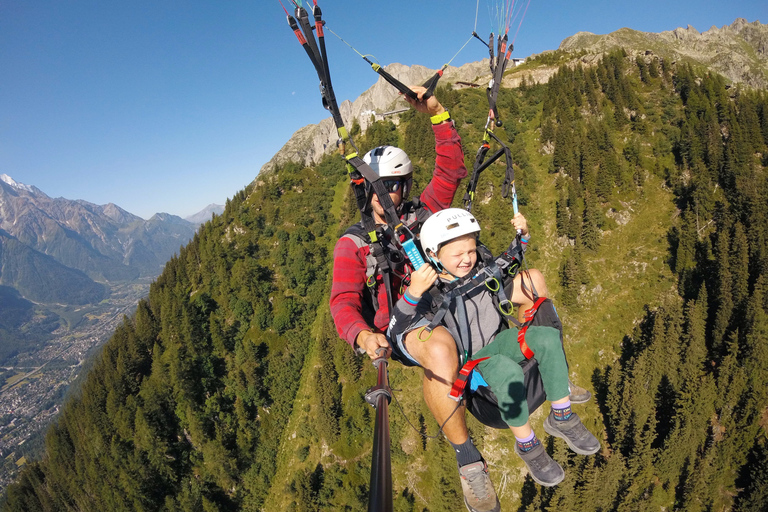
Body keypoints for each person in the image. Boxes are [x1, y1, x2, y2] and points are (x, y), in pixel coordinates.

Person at [330, 87, 506, 511]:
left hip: (451, 302)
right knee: (440, 350)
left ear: (404, 185)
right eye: (372, 185)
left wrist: (438, 114)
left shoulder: (421, 215)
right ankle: (469, 463)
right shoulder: (353, 244)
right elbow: (343, 302)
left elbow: (451, 172)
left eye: (391, 184)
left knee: (513, 295)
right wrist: (363, 337)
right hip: (407, 323)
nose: (381, 193)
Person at [388, 208, 601, 492]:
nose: (467, 259)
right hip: (475, 361)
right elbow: (395, 330)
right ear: (434, 256)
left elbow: (513, 258)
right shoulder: (429, 292)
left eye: (471, 251)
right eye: (457, 254)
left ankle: (561, 416)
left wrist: (523, 234)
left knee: (546, 338)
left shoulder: (482, 269)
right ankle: (529, 446)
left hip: (499, 341)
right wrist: (414, 292)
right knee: (506, 370)